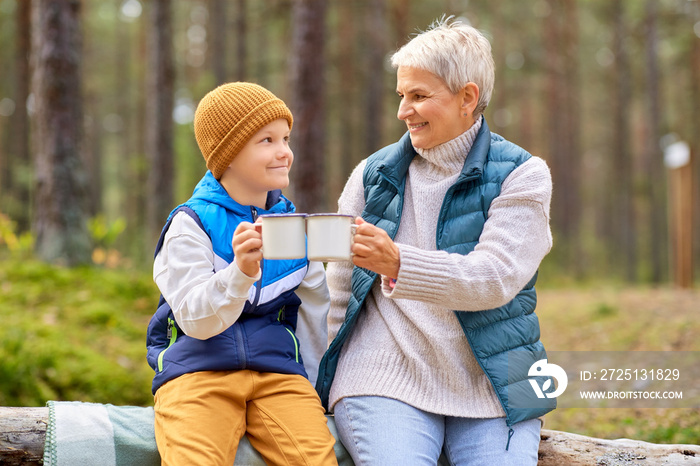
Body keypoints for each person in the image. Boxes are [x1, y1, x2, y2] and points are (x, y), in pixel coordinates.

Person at [315, 17, 555, 465]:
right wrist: (320, 379)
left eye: (419, 96)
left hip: (498, 381)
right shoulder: (373, 175)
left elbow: (494, 278)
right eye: (402, 96)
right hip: (382, 375)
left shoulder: (524, 175)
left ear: (468, 97)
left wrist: (397, 263)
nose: (403, 111)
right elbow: (339, 291)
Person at [146, 82, 338, 466]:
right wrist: (240, 273)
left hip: (281, 376)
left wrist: (318, 392)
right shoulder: (190, 224)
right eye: (266, 140)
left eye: (285, 138)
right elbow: (195, 320)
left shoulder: (294, 228)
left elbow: (316, 321)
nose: (284, 152)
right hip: (198, 373)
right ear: (228, 154)